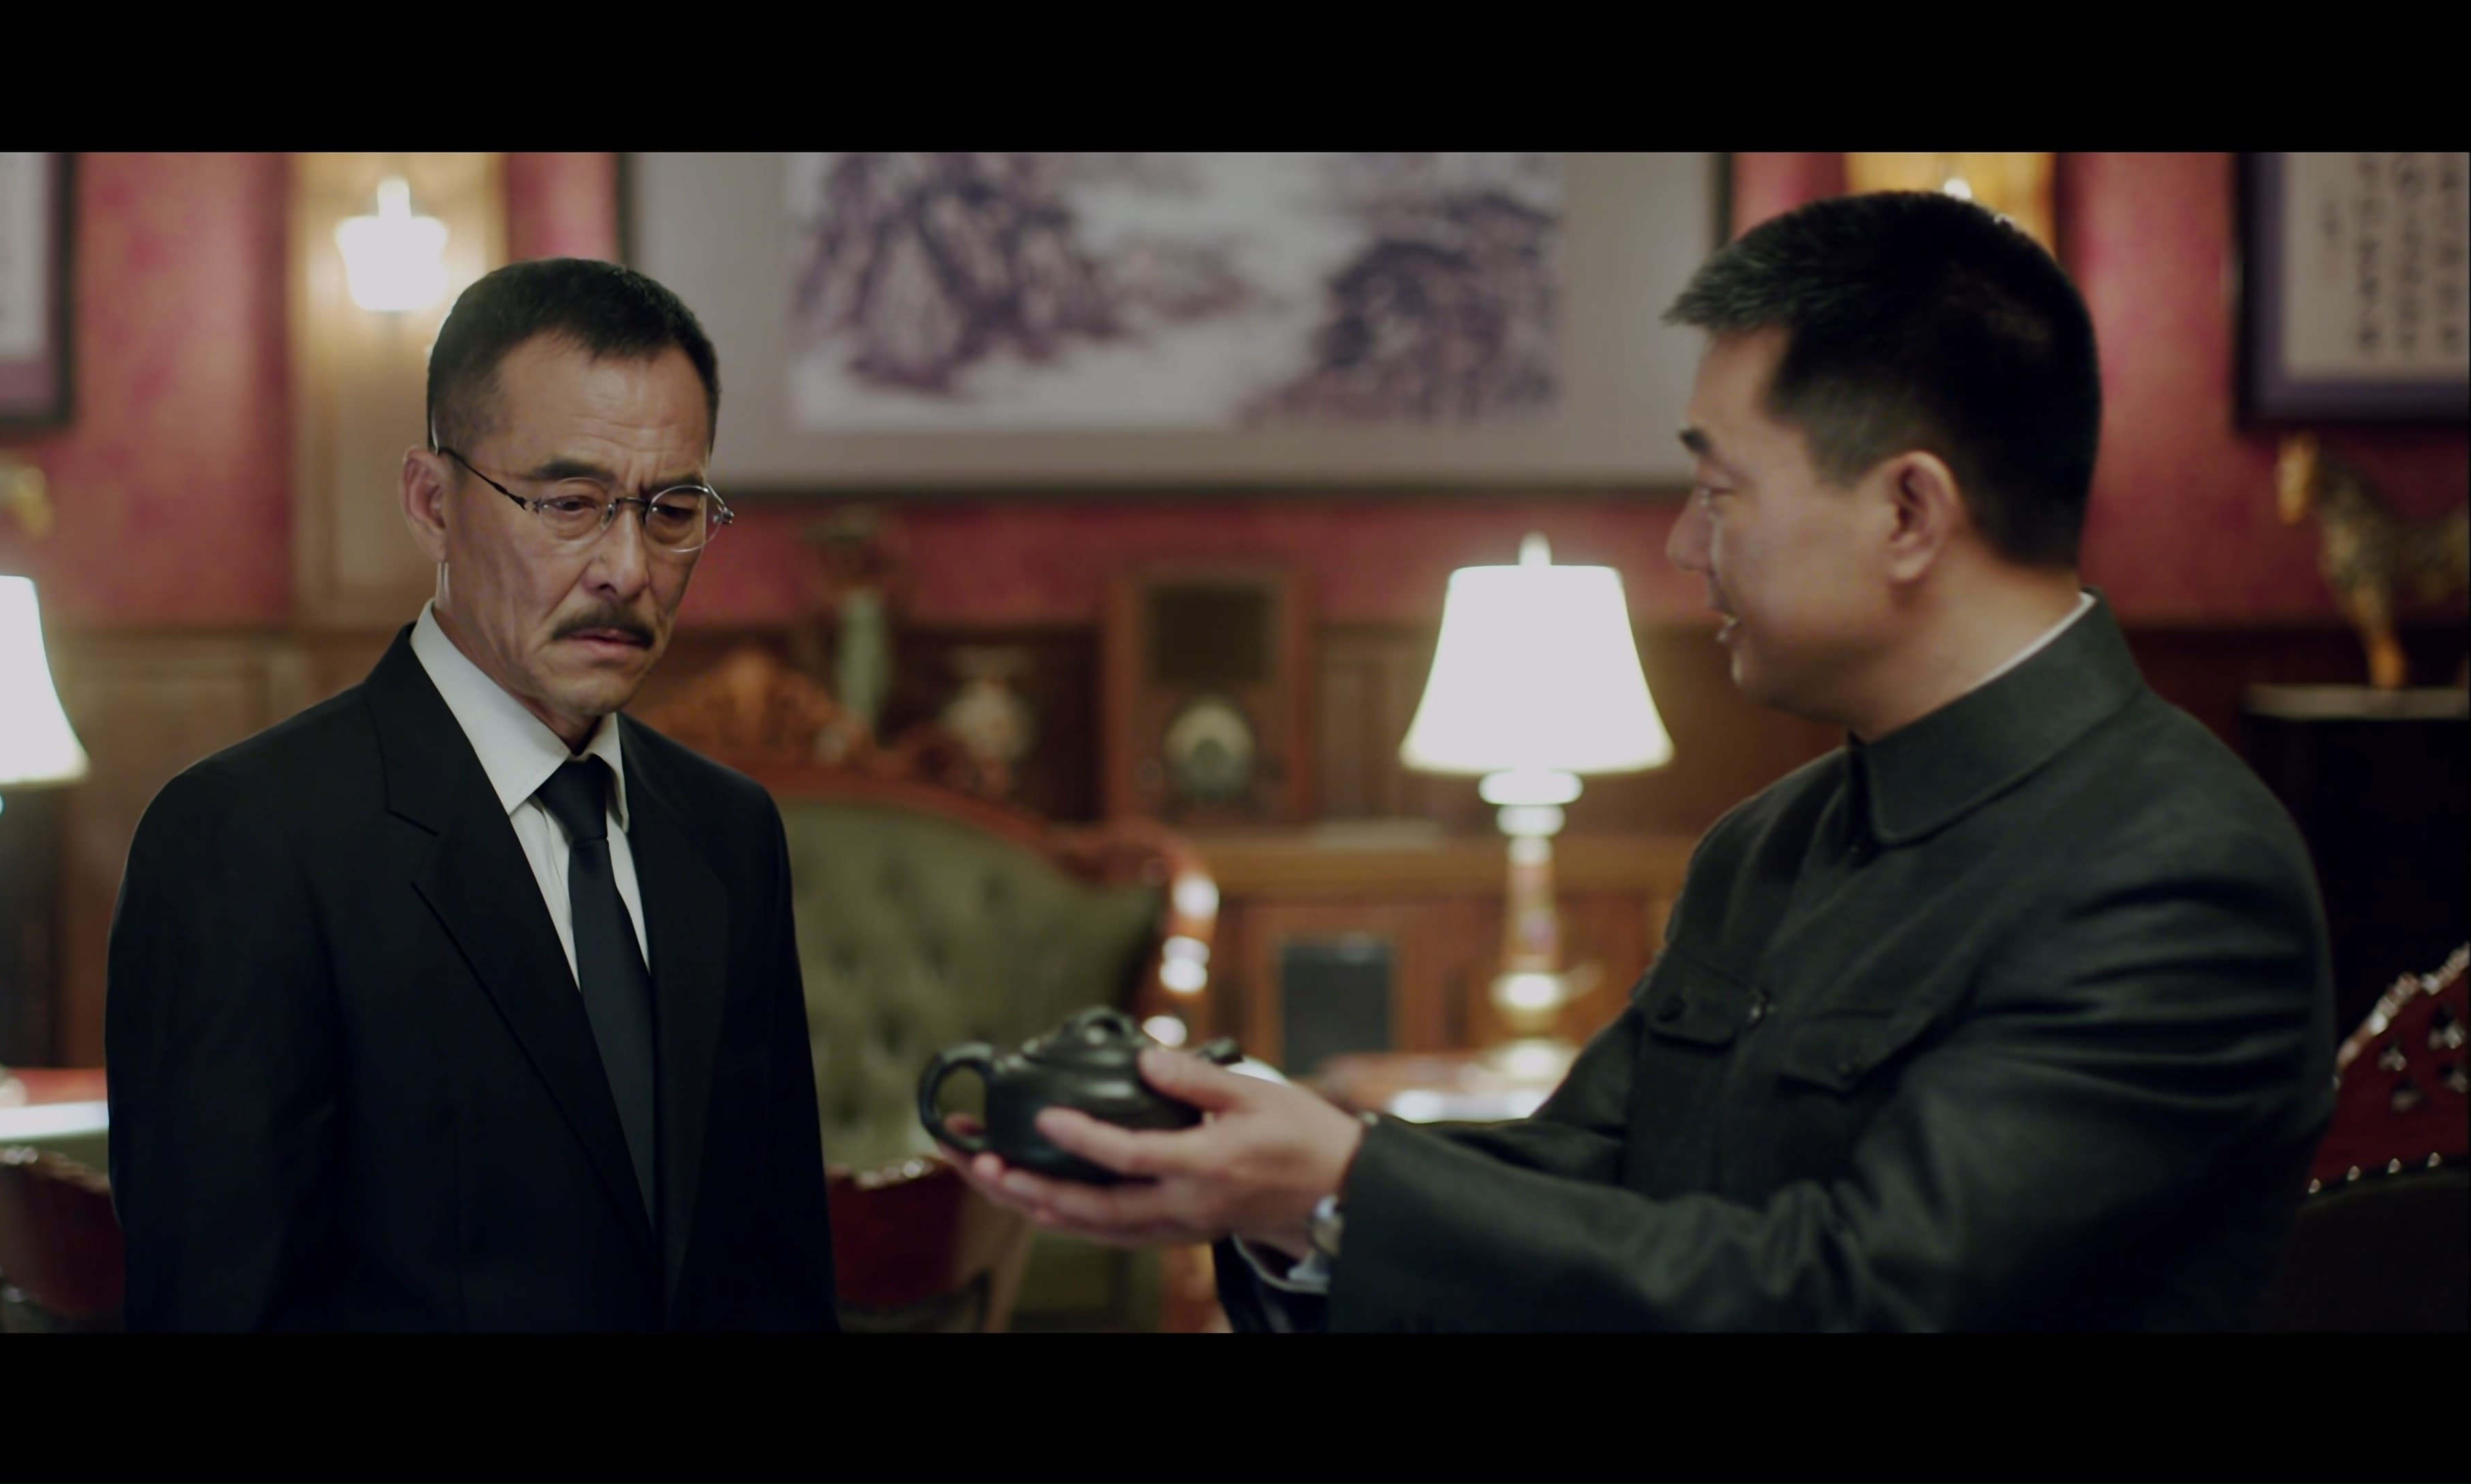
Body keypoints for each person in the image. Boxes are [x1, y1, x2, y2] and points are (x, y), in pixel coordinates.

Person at [943, 191, 2338, 1331]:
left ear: (1910, 511)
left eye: (1720, 491)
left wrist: (1348, 1185)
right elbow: (1578, 1182)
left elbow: (1870, 1295)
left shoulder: (2173, 872)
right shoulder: (1770, 842)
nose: (1683, 546)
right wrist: (1272, 1180)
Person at [106, 259, 836, 1331]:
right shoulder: (246, 840)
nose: (628, 569)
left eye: (671, 510)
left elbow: (780, 1274)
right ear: (432, 502)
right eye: (570, 504)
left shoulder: (728, 831)